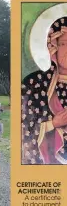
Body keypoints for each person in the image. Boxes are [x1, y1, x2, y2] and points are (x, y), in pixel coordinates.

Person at [22, 16, 67, 164]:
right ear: (53, 46)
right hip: (51, 162)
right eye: (63, 44)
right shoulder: (33, 84)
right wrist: (52, 124)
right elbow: (25, 127)